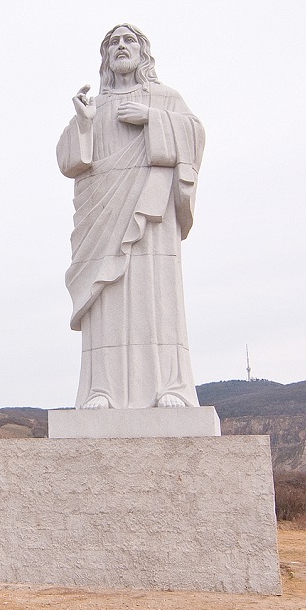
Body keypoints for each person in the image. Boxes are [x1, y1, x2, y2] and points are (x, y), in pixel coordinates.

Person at [57, 23, 207, 410]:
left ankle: (170, 387)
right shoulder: (95, 107)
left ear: (143, 52)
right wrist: (84, 124)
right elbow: (71, 163)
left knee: (157, 297)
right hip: (102, 218)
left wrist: (152, 118)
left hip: (151, 214)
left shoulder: (165, 98)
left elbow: (195, 135)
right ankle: (100, 391)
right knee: (106, 299)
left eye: (129, 40)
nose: (120, 47)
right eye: (112, 43)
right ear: (105, 57)